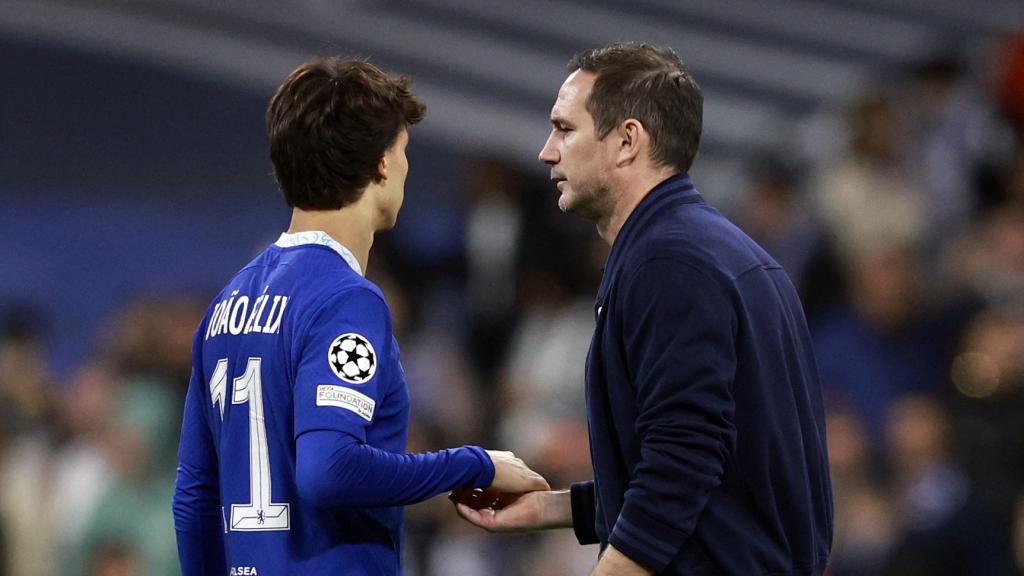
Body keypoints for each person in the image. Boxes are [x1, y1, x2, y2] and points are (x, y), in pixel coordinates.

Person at [453, 42, 833, 575]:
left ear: (627, 141)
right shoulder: (710, 250)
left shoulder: (669, 262)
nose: (546, 151)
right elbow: (725, 476)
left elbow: (683, 461)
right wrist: (557, 507)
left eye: (565, 129)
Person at [171, 56, 549, 575]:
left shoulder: (225, 306)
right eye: (403, 150)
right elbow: (328, 470)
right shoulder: (347, 299)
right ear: (381, 165)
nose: (406, 166)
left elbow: (194, 496)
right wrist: (474, 463)